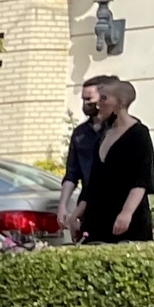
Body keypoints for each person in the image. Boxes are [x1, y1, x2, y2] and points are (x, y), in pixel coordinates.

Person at [79, 76, 154, 244]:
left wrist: (126, 213)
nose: (99, 104)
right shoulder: (104, 134)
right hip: (98, 219)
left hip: (127, 222)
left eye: (104, 98)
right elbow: (93, 182)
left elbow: (141, 180)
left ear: (119, 103)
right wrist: (76, 214)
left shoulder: (139, 134)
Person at [57, 78, 103, 239]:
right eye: (83, 99)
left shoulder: (116, 131)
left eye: (89, 99)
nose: (85, 104)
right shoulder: (80, 134)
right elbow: (72, 173)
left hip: (109, 204)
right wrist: (62, 205)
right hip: (86, 208)